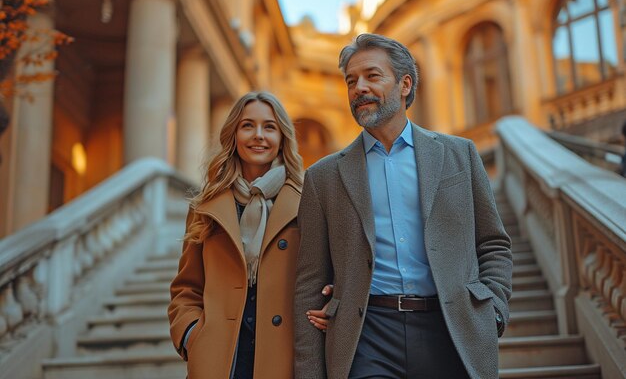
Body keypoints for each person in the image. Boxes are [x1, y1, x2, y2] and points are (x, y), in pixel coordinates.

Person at [294, 33, 513, 379]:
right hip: (366, 337)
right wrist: (309, 372)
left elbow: (493, 243)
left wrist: (494, 309)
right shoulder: (323, 177)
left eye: (372, 76)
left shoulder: (460, 155)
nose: (359, 88)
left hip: (450, 329)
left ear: (405, 84)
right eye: (351, 81)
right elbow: (309, 281)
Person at [168, 91, 328, 379]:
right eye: (247, 126)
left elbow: (324, 275)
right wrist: (191, 334)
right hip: (219, 357)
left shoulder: (307, 201)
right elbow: (186, 288)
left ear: (282, 137)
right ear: (233, 134)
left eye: (269, 127)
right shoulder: (206, 206)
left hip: (284, 356)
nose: (258, 136)